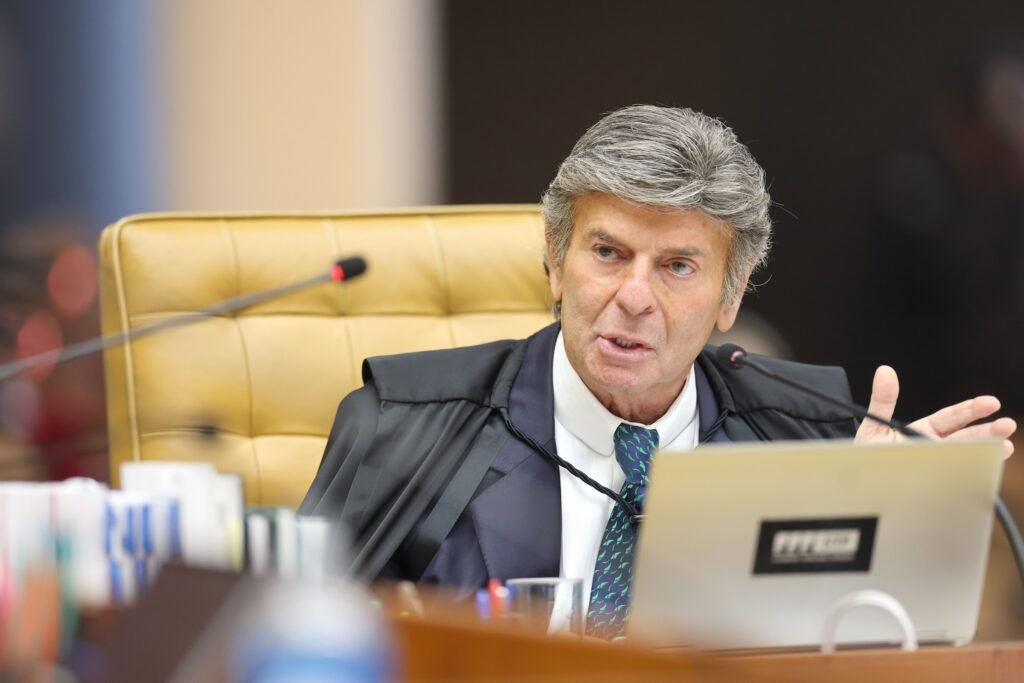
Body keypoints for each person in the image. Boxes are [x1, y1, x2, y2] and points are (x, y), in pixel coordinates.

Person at [301, 105, 1016, 636]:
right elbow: (284, 640)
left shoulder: (809, 438)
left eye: (677, 266)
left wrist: (887, 527)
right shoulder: (404, 426)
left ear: (731, 296)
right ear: (555, 262)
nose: (634, 297)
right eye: (608, 253)